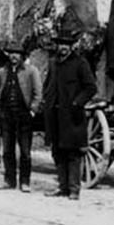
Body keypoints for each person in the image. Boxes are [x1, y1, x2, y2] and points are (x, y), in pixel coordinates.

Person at [43, 32, 98, 200]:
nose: (63, 48)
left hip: (72, 115)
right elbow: (48, 85)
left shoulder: (80, 63)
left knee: (73, 153)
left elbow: (91, 87)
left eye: (66, 45)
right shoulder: (53, 63)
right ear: (57, 46)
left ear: (71, 46)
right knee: (57, 151)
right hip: (54, 114)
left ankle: (74, 189)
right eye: (60, 44)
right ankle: (62, 187)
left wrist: (77, 103)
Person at [0, 43, 42, 193]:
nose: (14, 56)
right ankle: (9, 180)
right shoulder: (2, 72)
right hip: (6, 115)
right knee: (7, 150)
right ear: (8, 55)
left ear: (22, 56)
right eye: (11, 53)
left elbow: (38, 93)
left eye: (17, 53)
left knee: (25, 151)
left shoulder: (31, 71)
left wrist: (33, 110)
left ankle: (25, 182)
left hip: (24, 115)